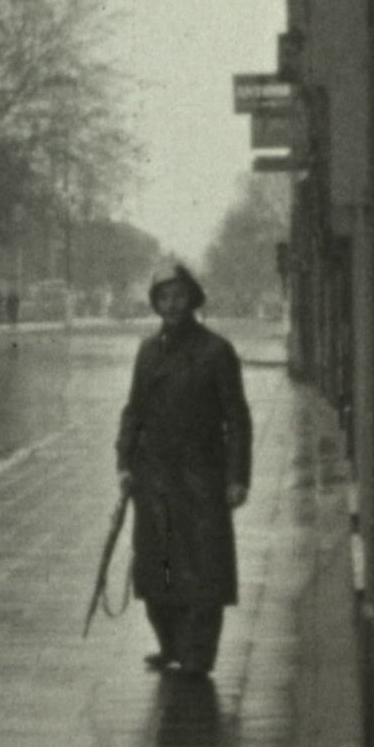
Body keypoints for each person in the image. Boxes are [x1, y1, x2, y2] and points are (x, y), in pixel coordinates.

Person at [114, 263, 252, 678]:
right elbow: (134, 411)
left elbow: (237, 419)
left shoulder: (216, 351)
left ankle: (198, 655)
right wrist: (124, 462)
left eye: (178, 296)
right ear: (155, 303)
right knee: (157, 565)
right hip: (154, 476)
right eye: (163, 297)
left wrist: (237, 477)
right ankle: (171, 645)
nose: (171, 305)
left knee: (204, 568)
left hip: (201, 476)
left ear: (191, 298)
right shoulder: (148, 351)